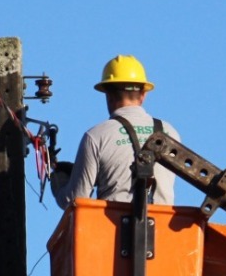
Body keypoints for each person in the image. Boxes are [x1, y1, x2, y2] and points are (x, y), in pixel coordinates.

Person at [52, 55, 181, 209]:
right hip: (164, 230)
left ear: (108, 95)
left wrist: (60, 182)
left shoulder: (96, 136)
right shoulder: (170, 133)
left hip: (113, 230)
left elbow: (73, 201)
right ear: (143, 94)